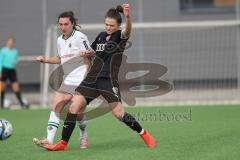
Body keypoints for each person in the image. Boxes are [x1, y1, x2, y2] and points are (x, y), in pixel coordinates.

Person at [45, 4, 156, 151]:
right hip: (92, 79)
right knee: (74, 107)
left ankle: (144, 134)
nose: (108, 27)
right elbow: (92, 51)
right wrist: (87, 54)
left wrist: (128, 17)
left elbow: (128, 29)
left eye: (112, 25)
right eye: (106, 24)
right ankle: (63, 143)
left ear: (118, 25)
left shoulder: (120, 36)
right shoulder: (101, 36)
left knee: (118, 114)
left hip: (108, 80)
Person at [33, 11, 93, 149]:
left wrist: (87, 54)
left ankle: (84, 135)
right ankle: (49, 140)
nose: (63, 27)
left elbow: (91, 54)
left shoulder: (80, 37)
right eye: (60, 24)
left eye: (66, 24)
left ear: (72, 24)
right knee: (56, 107)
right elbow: (60, 58)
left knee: (78, 114)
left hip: (81, 81)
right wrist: (45, 60)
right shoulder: (60, 40)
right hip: (67, 81)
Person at [0, 37, 29, 109]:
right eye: (9, 42)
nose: (10, 43)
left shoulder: (15, 51)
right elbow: (0, 61)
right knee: (2, 87)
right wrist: (0, 71)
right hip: (4, 70)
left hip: (12, 71)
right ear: (7, 43)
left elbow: (16, 60)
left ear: (13, 43)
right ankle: (1, 104)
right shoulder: (3, 50)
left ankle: (21, 104)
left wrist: (15, 61)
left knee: (16, 87)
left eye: (11, 42)